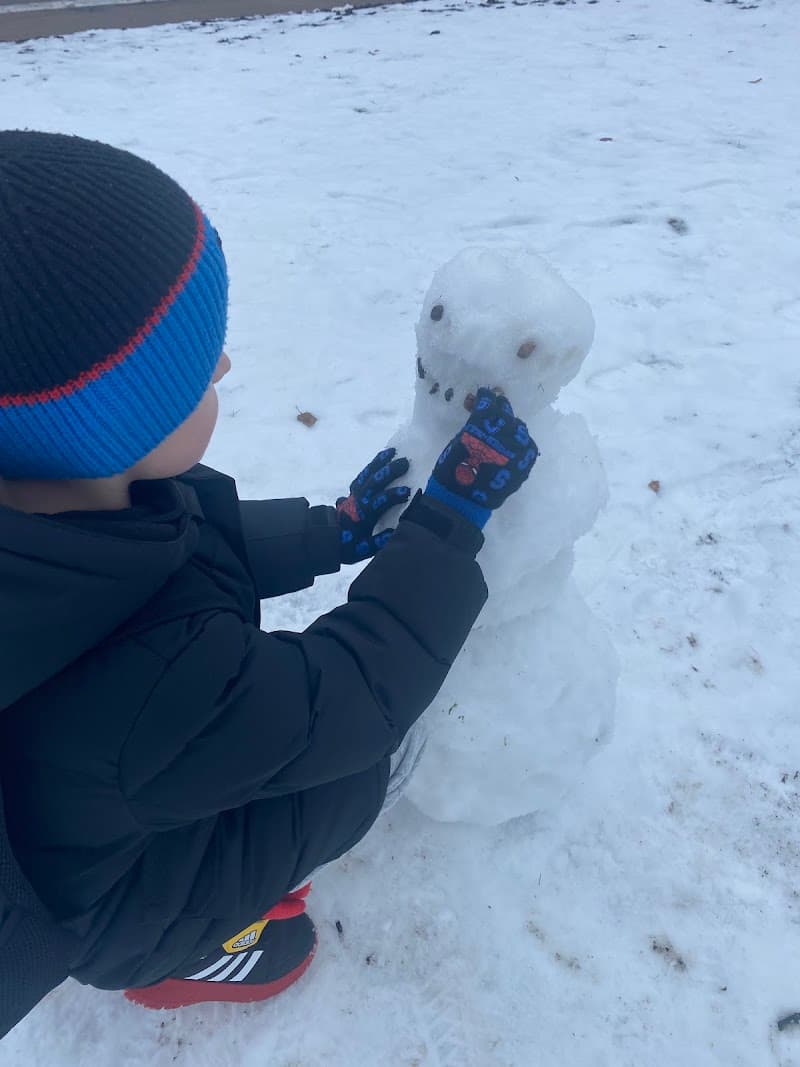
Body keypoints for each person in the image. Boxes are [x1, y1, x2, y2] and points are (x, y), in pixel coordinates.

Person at [0, 131, 537, 1011]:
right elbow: (350, 698)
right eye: (196, 377)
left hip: (106, 803)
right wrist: (448, 524)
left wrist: (333, 530)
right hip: (120, 905)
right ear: (101, 429)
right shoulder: (151, 686)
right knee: (369, 766)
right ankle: (195, 952)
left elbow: (191, 540)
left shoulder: (59, 512)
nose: (224, 368)